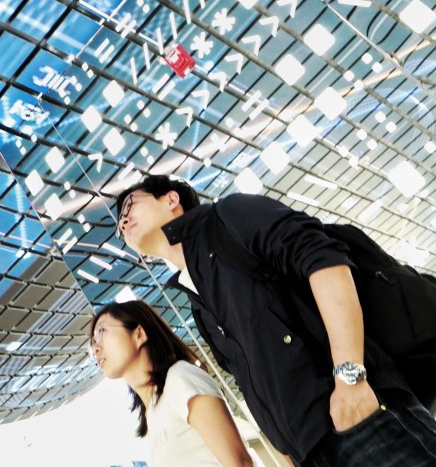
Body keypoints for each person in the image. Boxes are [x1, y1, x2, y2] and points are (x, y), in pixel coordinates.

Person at [115, 174, 436, 466]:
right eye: (118, 224)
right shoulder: (196, 300)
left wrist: (350, 380)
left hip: (363, 413)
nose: (123, 220)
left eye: (130, 204)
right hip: (311, 451)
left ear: (171, 198)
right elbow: (250, 384)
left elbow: (324, 260)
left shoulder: (228, 216)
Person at [90, 300, 255, 466]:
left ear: (139, 334)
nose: (95, 348)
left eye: (101, 332)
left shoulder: (180, 378)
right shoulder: (152, 414)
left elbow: (240, 463)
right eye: (93, 341)